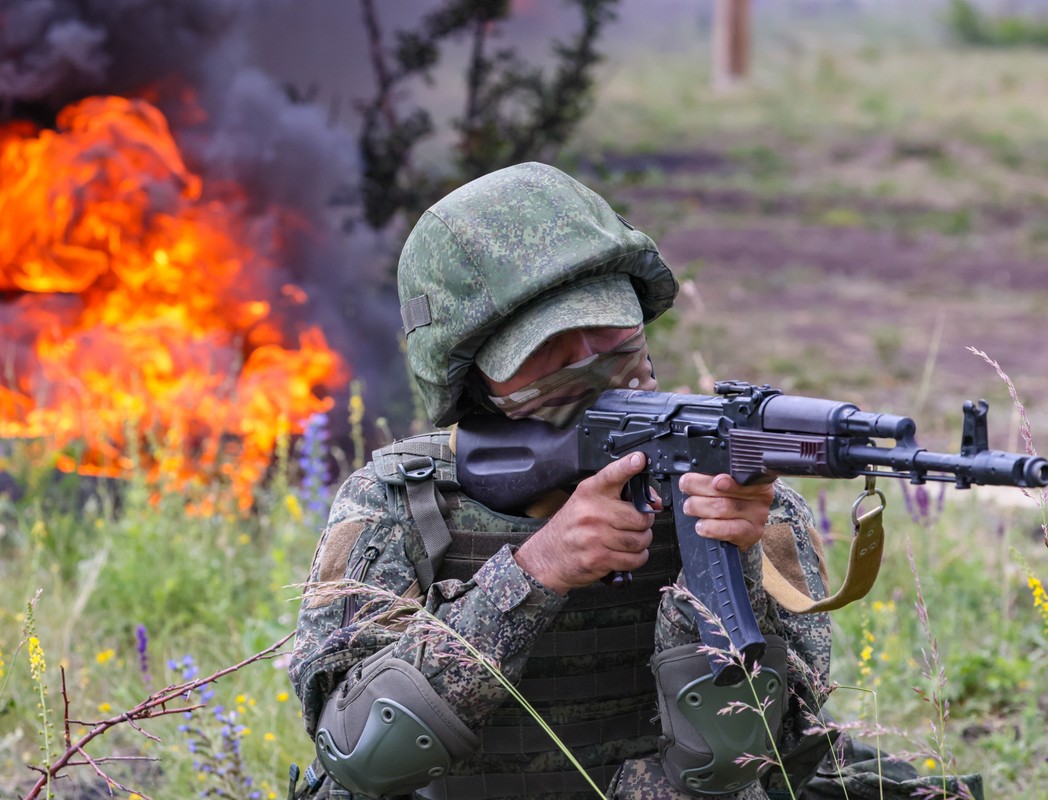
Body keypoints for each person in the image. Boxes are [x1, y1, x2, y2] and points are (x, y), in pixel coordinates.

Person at [288, 162, 983, 800]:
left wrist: (728, 562)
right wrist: (536, 571)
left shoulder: (739, 494)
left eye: (609, 327)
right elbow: (362, 755)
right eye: (549, 347)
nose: (593, 355)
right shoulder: (401, 503)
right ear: (472, 377)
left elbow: (763, 752)